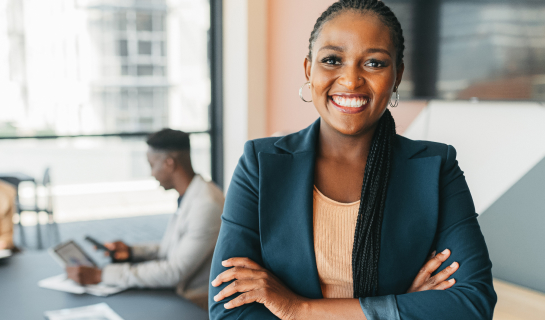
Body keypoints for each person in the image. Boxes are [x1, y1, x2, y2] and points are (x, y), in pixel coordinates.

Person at [208, 1, 497, 319]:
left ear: (397, 76)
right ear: (309, 70)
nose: (350, 80)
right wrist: (400, 307)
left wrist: (299, 309)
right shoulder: (261, 165)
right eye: (332, 60)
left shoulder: (436, 167)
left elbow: (472, 304)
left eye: (374, 63)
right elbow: (229, 310)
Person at [67, 129, 225, 309]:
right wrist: (132, 252)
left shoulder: (206, 205)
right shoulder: (192, 194)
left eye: (151, 165)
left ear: (169, 164)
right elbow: (174, 249)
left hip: (194, 303)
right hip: (176, 294)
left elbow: (175, 271)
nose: (151, 173)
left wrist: (101, 275)